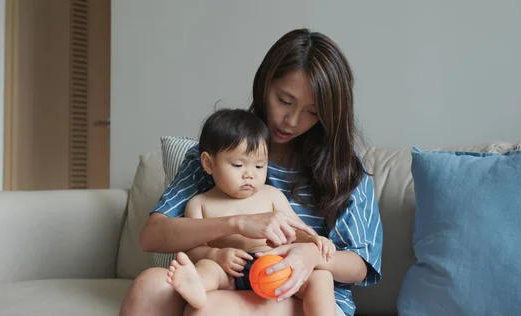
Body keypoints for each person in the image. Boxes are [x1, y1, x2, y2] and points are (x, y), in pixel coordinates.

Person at [119, 28, 383, 316]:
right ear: (265, 83)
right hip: (228, 277)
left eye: (313, 112)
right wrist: (237, 223)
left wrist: (311, 254)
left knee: (210, 310)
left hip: (302, 293)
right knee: (150, 286)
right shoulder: (218, 154)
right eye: (285, 100)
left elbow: (360, 264)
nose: (292, 120)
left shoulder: (343, 168)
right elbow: (152, 236)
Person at [166, 108, 338, 316]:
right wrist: (216, 254)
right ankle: (197, 289)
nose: (249, 175)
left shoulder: (271, 195)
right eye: (238, 165)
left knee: (321, 277)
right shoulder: (199, 204)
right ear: (209, 163)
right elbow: (193, 250)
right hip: (228, 273)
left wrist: (314, 240)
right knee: (206, 268)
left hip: (272, 267)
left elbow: (297, 230)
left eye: (259, 166)